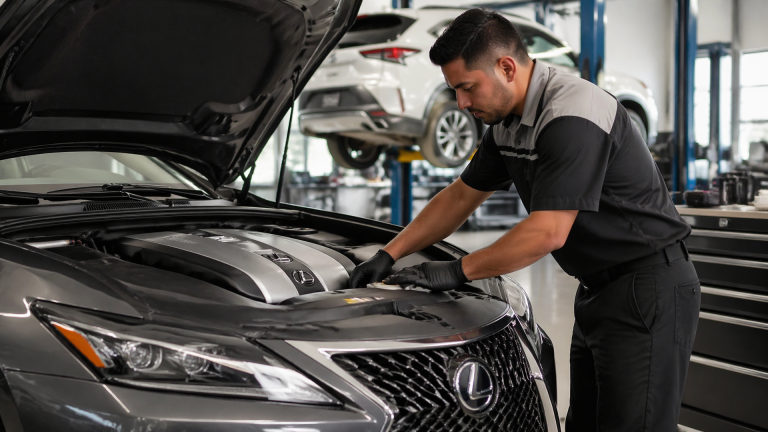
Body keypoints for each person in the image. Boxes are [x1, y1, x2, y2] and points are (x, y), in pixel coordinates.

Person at [347, 8, 701, 432]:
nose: (461, 103)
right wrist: (389, 254)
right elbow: (461, 195)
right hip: (597, 291)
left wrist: (455, 271)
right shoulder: (506, 123)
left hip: (648, 290)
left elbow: (549, 230)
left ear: (507, 67)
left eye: (467, 88)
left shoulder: (572, 113)